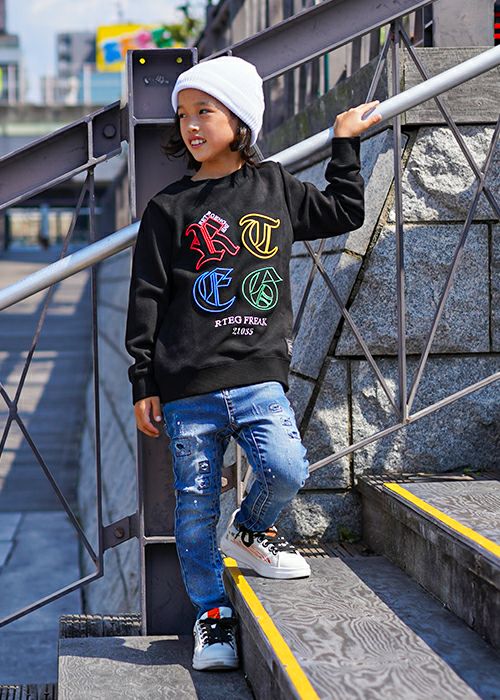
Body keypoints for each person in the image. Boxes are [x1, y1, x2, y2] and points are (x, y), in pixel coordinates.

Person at [125, 55, 381, 672]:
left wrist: (344, 144)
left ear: (240, 120)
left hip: (259, 376)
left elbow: (344, 212)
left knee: (287, 468)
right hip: (187, 388)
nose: (190, 125)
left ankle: (250, 529)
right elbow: (146, 297)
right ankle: (211, 615)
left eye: (204, 112)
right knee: (193, 509)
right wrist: (142, 380)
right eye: (182, 115)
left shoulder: (276, 188)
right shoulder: (168, 208)